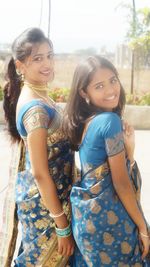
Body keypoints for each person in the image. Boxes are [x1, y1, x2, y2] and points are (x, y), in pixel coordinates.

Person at [63, 56, 150, 266]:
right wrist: (142, 228)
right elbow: (121, 183)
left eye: (113, 80)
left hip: (87, 223)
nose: (111, 90)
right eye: (99, 86)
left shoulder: (88, 122)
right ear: (84, 92)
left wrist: (129, 150)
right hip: (109, 223)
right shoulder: (109, 122)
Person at [2, 28, 75, 266]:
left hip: (51, 199)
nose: (47, 63)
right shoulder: (35, 109)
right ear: (21, 66)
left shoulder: (40, 95)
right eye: (37, 58)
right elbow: (40, 172)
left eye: (50, 55)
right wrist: (61, 224)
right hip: (48, 208)